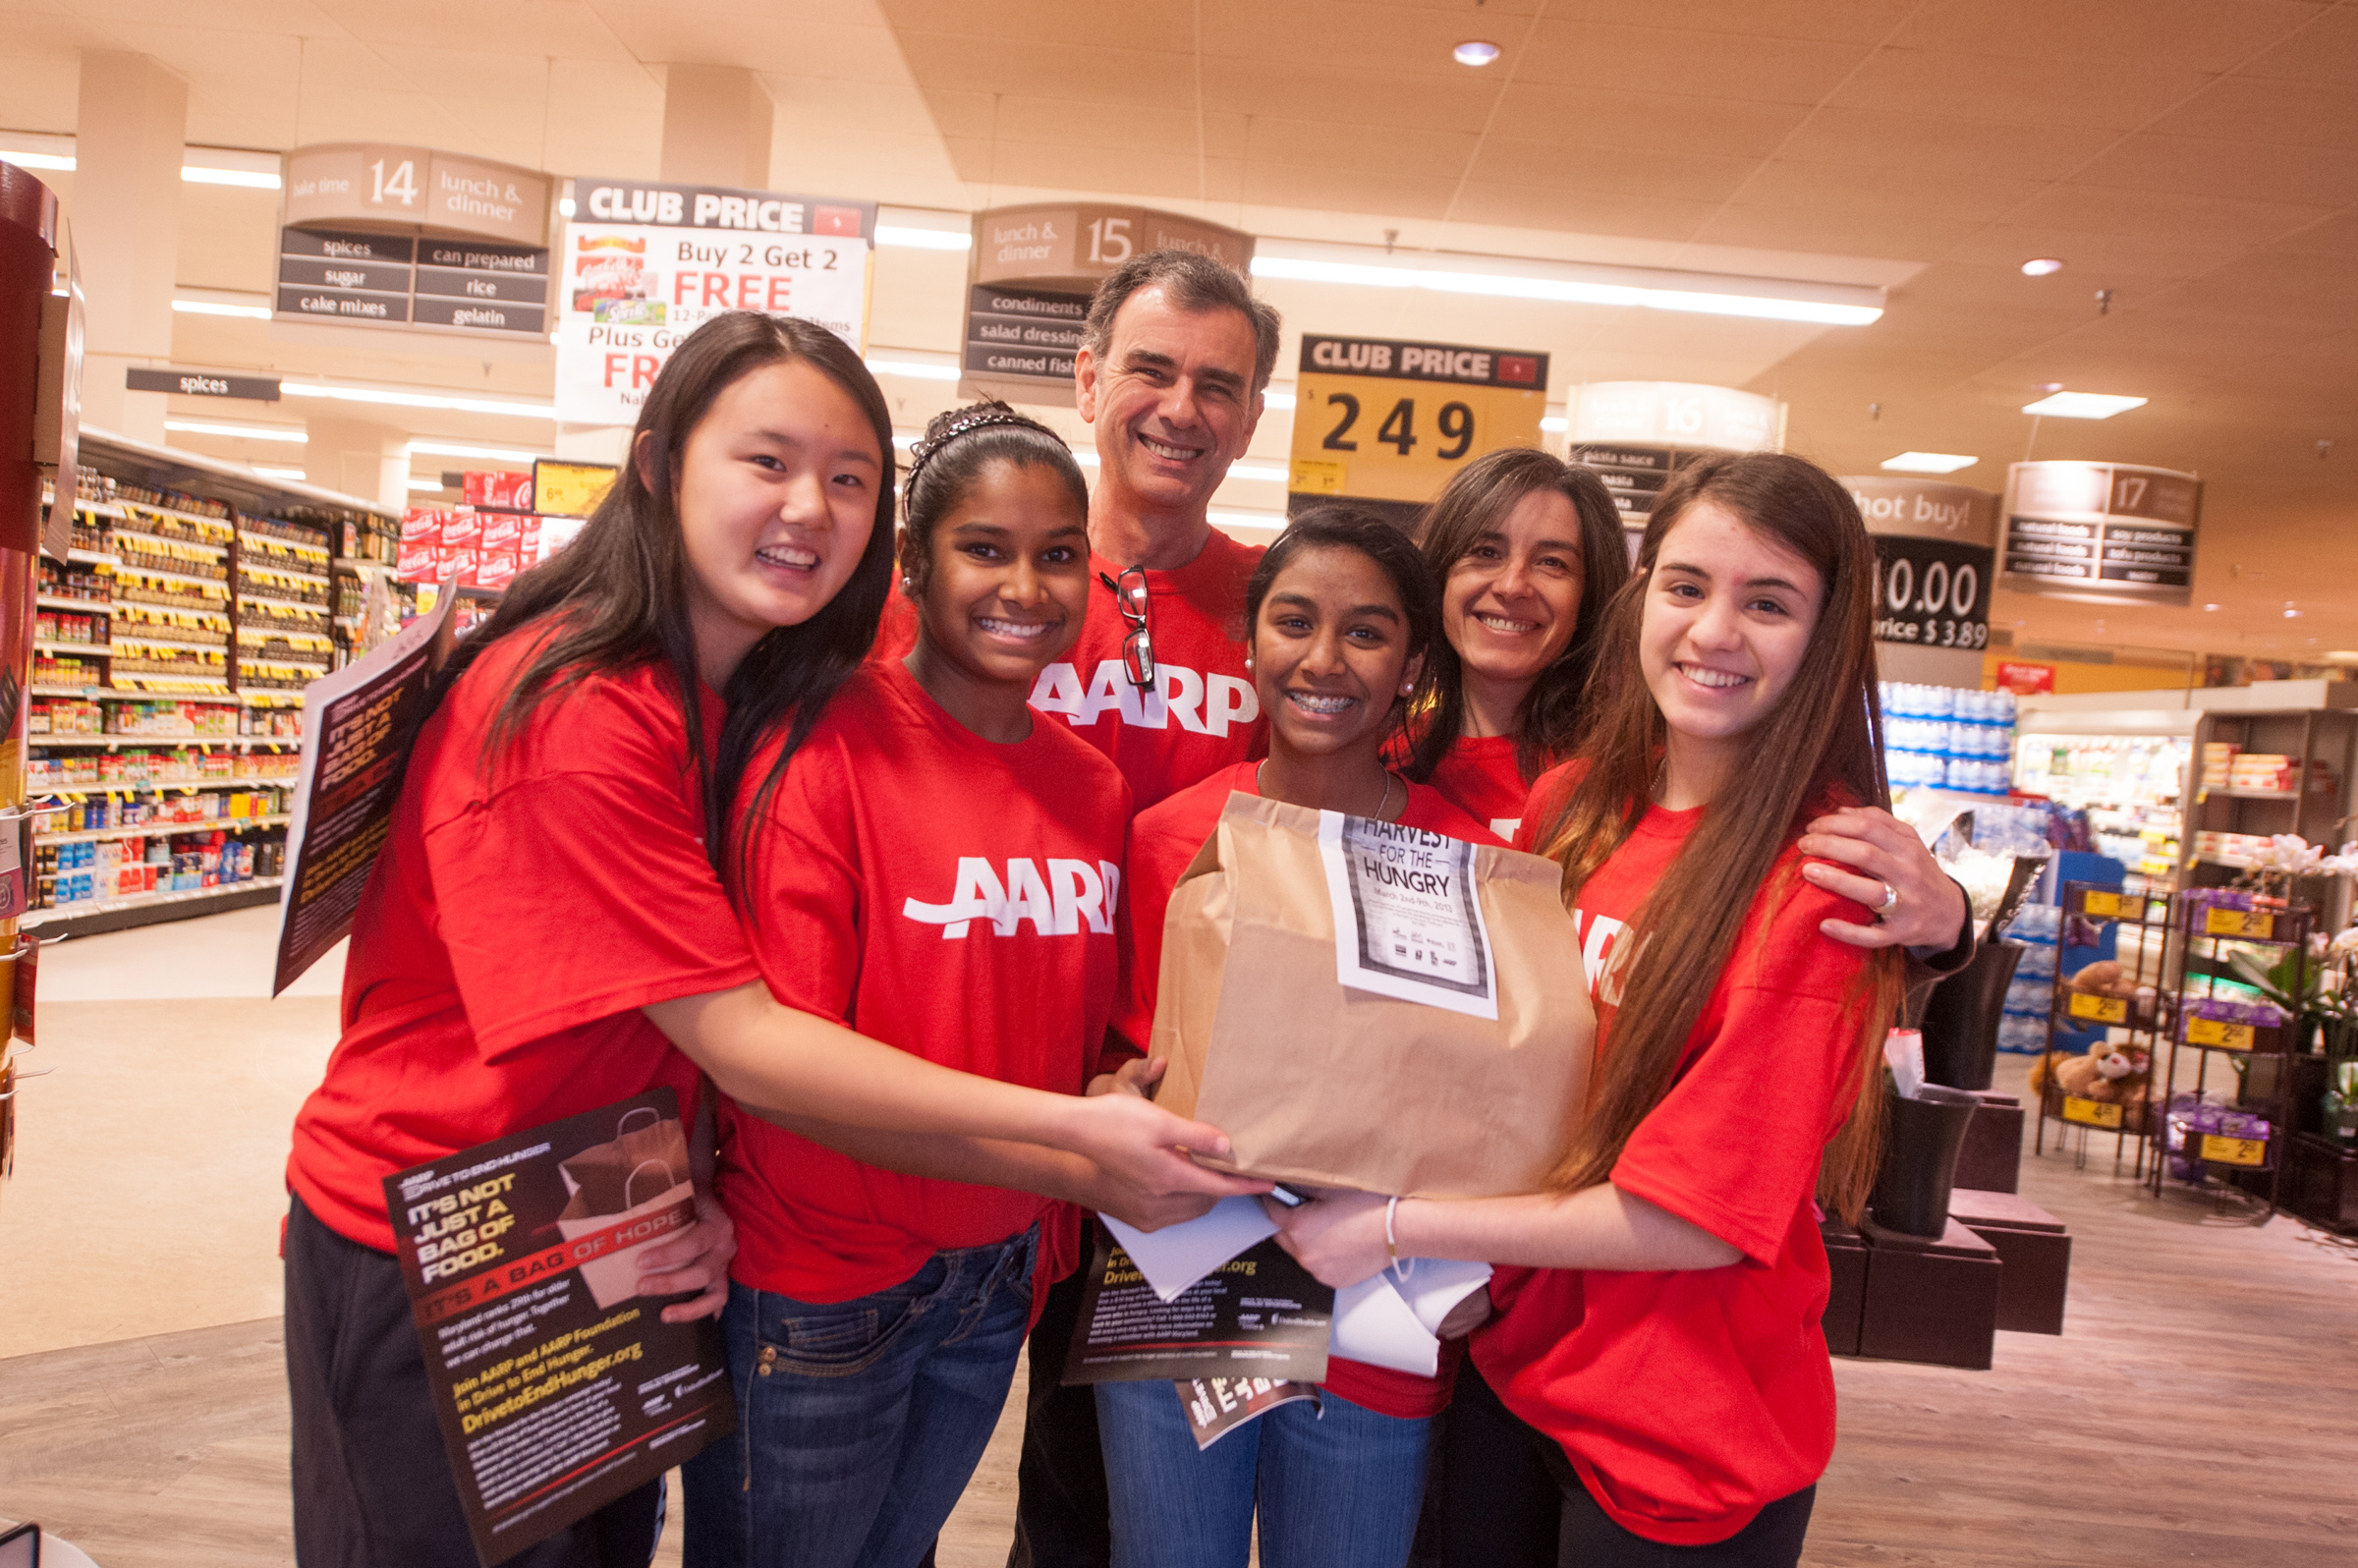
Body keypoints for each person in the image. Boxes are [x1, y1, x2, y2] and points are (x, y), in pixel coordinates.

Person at [283, 315, 1248, 1568]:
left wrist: (680, 1187)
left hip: (602, 1223)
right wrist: (1077, 1139)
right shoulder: (578, 707)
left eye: (847, 477)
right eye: (766, 463)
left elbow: (650, 1030)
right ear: (656, 468)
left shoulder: (745, 700)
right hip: (445, 1245)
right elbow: (743, 1035)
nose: (809, 508)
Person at [1269, 451, 1910, 1567]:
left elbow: (1693, 1220)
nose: (1714, 631)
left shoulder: (1820, 884)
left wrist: (1392, 1229)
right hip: (1517, 1376)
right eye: (1687, 587)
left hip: (1678, 1430)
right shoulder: (1580, 805)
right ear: (1642, 595)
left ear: (1825, 634)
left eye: (1767, 604)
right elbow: (1511, 1080)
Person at [679, 400, 1236, 1568]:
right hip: (824, 1288)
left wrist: (1109, 1090)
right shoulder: (822, 747)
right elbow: (789, 1066)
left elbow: (1039, 1029)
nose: (1024, 587)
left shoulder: (1088, 788)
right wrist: (1070, 1148)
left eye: (1057, 555)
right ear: (912, 567)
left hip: (991, 1285)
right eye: (984, 549)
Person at [1095, 505, 1502, 1568]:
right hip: (1183, 1295)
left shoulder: (1465, 860)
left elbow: (1486, 1103)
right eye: (1293, 622)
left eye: (1366, 632)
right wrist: (1105, 1098)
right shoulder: (1164, 837)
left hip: (1379, 1314)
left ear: (1414, 659)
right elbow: (1118, 1053)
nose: (1324, 660)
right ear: (1250, 644)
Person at [1005, 248, 1287, 1568]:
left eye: (1219, 384)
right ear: (1088, 378)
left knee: (1140, 1494)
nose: (1183, 406)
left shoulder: (1283, 614)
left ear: (1251, 413)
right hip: (990, 1099)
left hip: (1196, 1142)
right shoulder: (992, 587)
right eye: (1154, 370)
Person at [1406, 446, 1977, 954]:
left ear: (1601, 591)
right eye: (1483, 551)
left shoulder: (1652, 764)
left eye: (1553, 562)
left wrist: (1949, 921)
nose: (1512, 585)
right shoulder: (1382, 755)